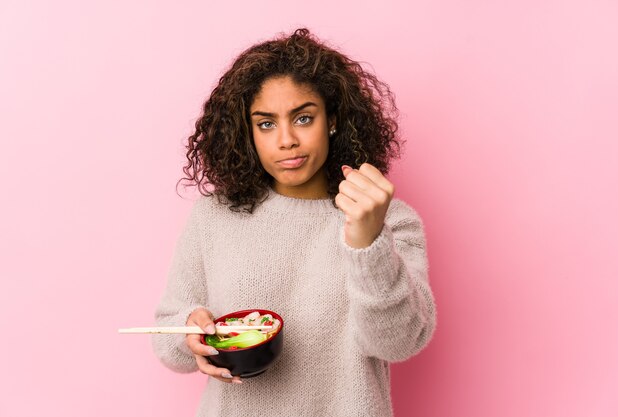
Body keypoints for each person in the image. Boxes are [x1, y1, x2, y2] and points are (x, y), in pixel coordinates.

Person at [151, 27, 437, 417]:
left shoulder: (391, 221)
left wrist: (368, 242)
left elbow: (399, 343)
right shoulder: (215, 215)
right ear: (246, 132)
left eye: (303, 118)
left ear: (332, 120)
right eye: (266, 123)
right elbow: (168, 338)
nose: (286, 140)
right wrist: (191, 332)